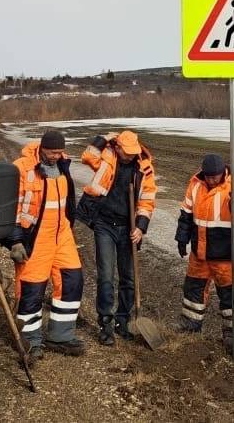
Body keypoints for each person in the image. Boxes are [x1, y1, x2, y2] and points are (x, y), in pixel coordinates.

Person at [1, 130, 85, 361]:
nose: (57, 156)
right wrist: (15, 240)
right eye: (52, 152)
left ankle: (61, 336)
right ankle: (30, 342)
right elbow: (11, 208)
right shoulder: (22, 168)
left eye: (60, 152)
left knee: (72, 280)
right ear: (42, 148)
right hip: (35, 239)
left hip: (62, 235)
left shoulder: (63, 164)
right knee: (32, 290)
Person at [75, 129, 157, 346]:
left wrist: (140, 227)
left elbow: (148, 201)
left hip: (129, 228)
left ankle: (123, 320)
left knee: (128, 277)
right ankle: (106, 324)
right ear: (118, 147)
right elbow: (87, 156)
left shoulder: (145, 168)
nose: (129, 156)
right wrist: (103, 138)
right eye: (126, 151)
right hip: (104, 224)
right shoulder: (108, 155)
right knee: (106, 276)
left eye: (133, 152)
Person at [174, 153, 234, 345]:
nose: (212, 180)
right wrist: (182, 238)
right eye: (208, 176)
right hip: (200, 251)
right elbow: (186, 214)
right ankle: (190, 325)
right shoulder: (196, 184)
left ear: (222, 172)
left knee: (229, 295)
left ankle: (233, 335)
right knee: (193, 290)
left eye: (215, 176)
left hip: (225, 253)